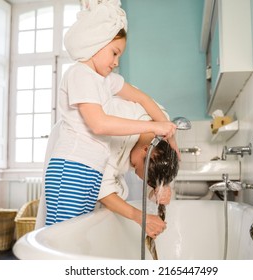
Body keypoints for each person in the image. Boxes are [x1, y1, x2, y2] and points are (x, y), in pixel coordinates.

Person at [44, 0, 177, 226]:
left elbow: (142, 98)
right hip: (72, 166)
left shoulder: (103, 81)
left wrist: (170, 139)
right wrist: (154, 126)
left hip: (90, 170)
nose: (116, 63)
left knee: (78, 234)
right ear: (96, 43)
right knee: (62, 235)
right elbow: (99, 124)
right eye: (114, 53)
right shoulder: (80, 74)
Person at [36, 97, 179, 239]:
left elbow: (152, 165)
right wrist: (140, 217)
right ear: (145, 149)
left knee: (83, 224)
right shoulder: (110, 138)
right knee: (64, 226)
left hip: (97, 146)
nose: (133, 170)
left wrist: (158, 188)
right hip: (73, 148)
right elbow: (102, 191)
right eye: (136, 167)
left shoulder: (162, 125)